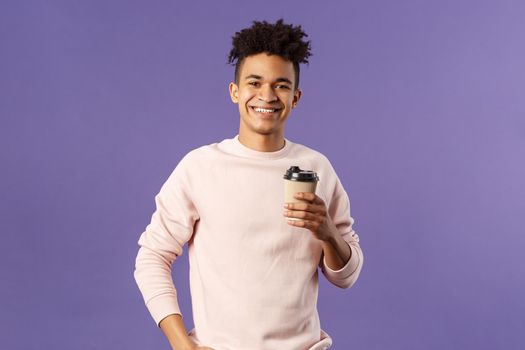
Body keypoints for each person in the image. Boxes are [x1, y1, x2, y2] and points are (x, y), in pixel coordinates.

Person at [134, 19, 364, 350]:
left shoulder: (317, 169)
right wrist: (181, 344)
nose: (267, 95)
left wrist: (327, 231)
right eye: (254, 82)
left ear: (296, 97)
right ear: (235, 92)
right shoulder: (201, 167)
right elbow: (152, 256)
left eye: (281, 85)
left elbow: (347, 277)